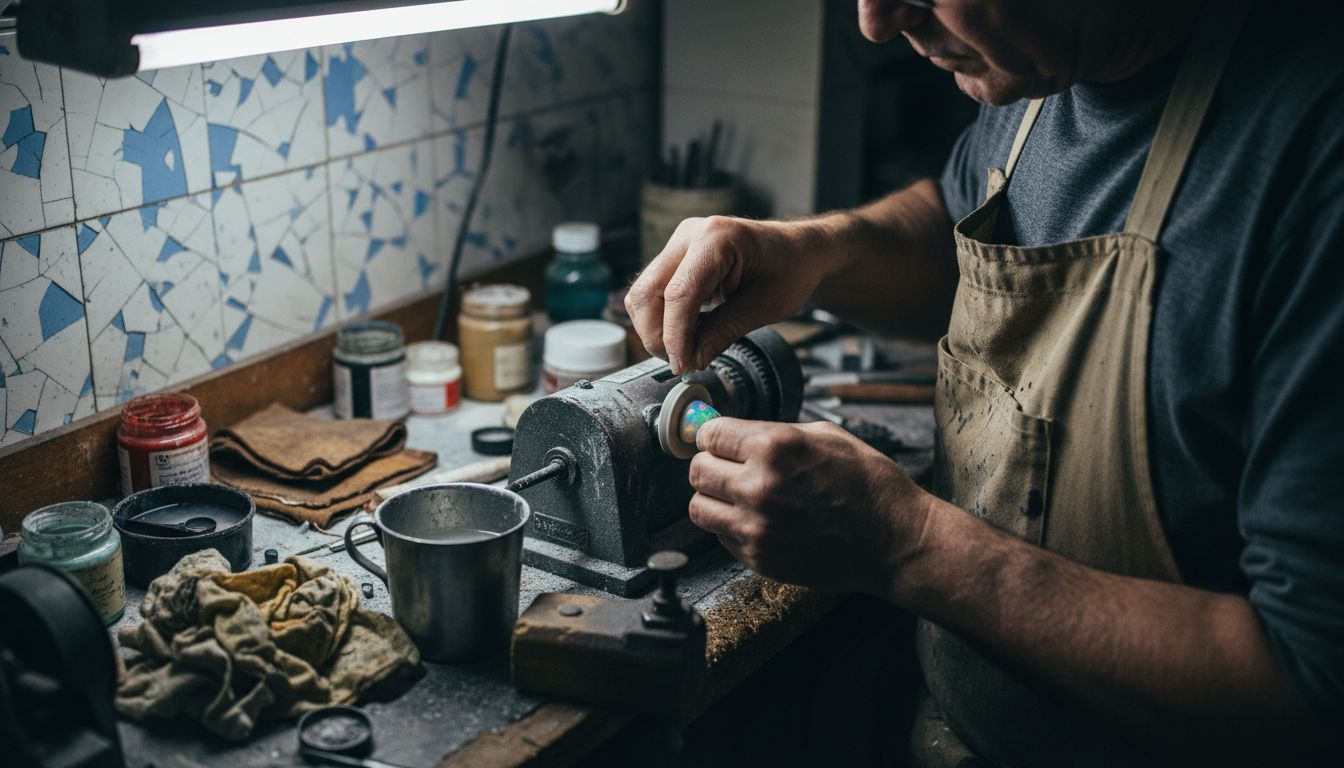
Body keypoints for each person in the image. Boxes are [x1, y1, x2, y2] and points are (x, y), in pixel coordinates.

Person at [626, 0, 1343, 764]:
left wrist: (907, 544)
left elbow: (1308, 688)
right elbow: (967, 235)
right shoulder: (1042, 64)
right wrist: (815, 255)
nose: (876, 22)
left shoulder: (1312, 157)